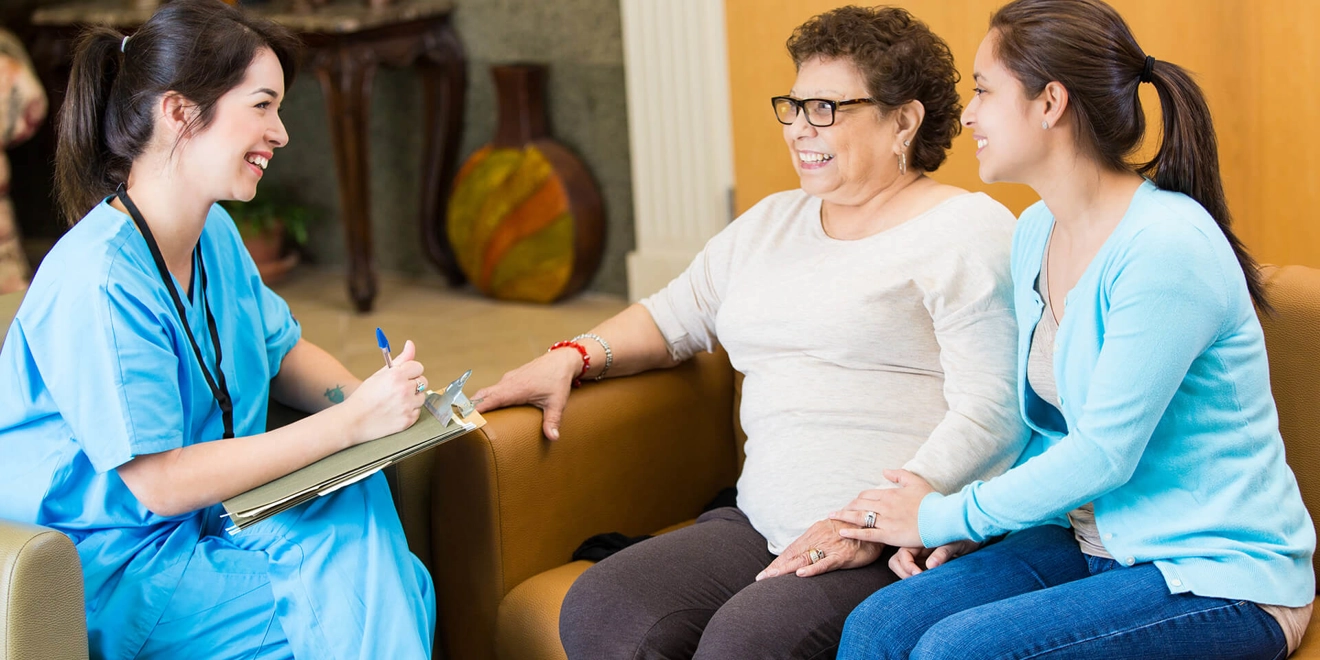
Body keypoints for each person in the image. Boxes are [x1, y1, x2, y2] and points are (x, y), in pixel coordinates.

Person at [472, 6, 1028, 658]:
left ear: (903, 118)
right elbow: (673, 314)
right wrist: (573, 356)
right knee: (606, 607)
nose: (798, 129)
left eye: (826, 109)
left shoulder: (966, 232)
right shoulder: (770, 224)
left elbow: (997, 410)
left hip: (893, 543)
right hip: (760, 520)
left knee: (747, 641)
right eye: (792, 106)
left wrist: (868, 522)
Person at [832, 1, 1316, 658]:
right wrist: (984, 523)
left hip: (1216, 575)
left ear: (1050, 102)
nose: (968, 113)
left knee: (958, 651)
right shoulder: (1036, 231)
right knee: (877, 626)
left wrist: (944, 512)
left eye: (983, 90)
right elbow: (1052, 433)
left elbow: (1103, 453)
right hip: (1090, 541)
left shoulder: (1166, 247)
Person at [0, 1, 436, 658]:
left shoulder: (216, 233)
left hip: (211, 523)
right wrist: (350, 424)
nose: (282, 132)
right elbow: (159, 483)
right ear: (179, 113)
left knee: (368, 535)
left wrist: (380, 402)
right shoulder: (100, 278)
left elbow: (280, 348)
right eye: (262, 106)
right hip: (119, 569)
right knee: (376, 593)